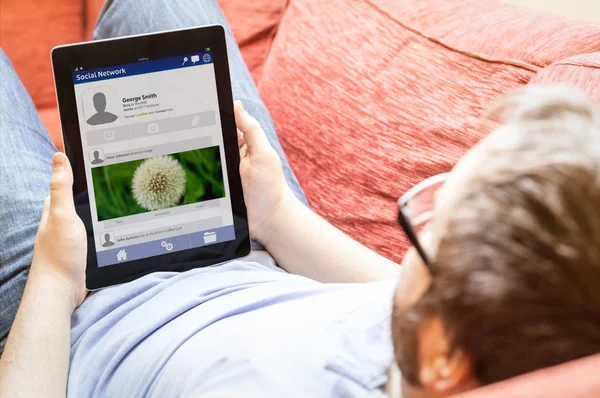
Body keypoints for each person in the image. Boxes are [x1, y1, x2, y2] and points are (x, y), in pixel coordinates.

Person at [0, 2, 599, 398]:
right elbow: (392, 292)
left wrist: (53, 274)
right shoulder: (462, 328)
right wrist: (276, 214)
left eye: (431, 223)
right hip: (249, 239)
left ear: (445, 355)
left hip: (75, 311)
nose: (421, 207)